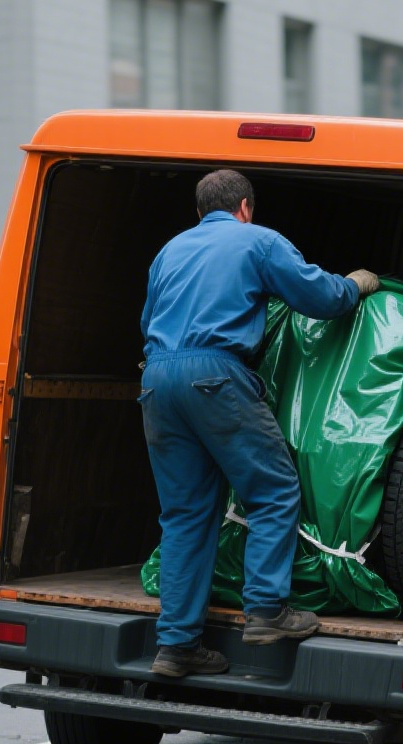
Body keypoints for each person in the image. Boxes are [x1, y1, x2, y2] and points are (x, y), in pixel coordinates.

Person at [139, 168, 380, 680]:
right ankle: (267, 611)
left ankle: (177, 646)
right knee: (272, 489)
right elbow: (319, 298)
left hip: (157, 381)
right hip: (216, 375)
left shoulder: (169, 251)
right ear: (245, 207)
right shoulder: (257, 241)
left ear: (199, 212)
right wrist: (354, 286)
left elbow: (148, 322)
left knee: (184, 514)